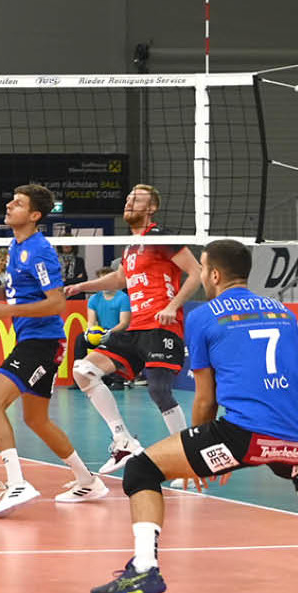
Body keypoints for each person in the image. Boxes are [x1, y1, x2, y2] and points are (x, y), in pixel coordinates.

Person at [90, 239, 298, 593]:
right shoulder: (282, 312)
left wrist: (199, 452)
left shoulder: (203, 316)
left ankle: (144, 569)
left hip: (243, 435)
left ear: (213, 274)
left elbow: (206, 399)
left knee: (141, 471)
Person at [0, 184, 107, 517]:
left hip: (41, 342)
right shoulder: (15, 247)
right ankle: (88, 480)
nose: (9, 205)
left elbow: (57, 302)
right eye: (11, 200)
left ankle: (17, 483)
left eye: (18, 203)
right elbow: (16, 292)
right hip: (32, 339)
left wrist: (7, 312)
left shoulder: (40, 250)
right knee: (36, 418)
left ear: (34, 215)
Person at [64, 183, 204, 473]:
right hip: (135, 329)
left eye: (136, 199)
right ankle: (123, 440)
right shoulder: (129, 246)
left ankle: (187, 461)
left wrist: (172, 306)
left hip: (161, 326)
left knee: (159, 390)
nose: (129, 202)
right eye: (128, 198)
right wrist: (81, 286)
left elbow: (196, 272)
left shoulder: (160, 237)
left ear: (151, 207)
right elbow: (118, 279)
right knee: (83, 370)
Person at [80, 265, 131, 388]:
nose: (105, 284)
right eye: (102, 281)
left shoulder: (123, 298)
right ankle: (81, 377)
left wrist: (108, 333)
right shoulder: (93, 299)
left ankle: (118, 379)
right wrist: (90, 332)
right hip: (100, 333)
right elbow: (91, 322)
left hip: (119, 332)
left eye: (107, 280)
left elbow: (124, 323)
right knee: (80, 339)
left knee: (116, 337)